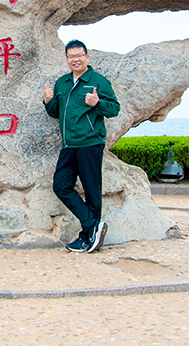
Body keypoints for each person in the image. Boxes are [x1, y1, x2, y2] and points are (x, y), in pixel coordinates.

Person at [43, 40, 120, 253]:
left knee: (92, 191)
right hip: (68, 145)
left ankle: (87, 237)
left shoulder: (98, 81)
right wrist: (48, 101)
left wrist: (97, 103)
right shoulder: (62, 83)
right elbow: (56, 112)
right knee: (61, 186)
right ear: (67, 59)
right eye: (71, 56)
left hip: (90, 144)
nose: (75, 59)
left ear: (87, 57)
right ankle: (93, 227)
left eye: (79, 55)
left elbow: (114, 109)